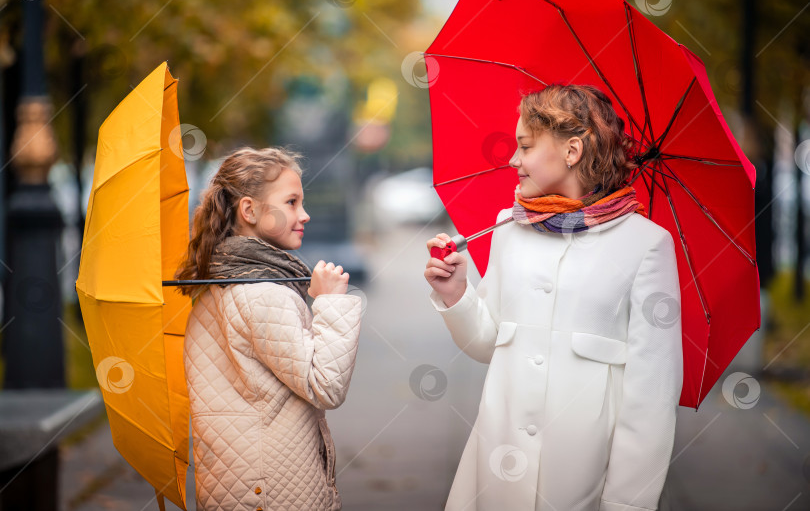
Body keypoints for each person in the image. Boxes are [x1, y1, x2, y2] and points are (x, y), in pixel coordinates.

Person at [425, 84, 683, 511]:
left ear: (572, 151)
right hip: (496, 469)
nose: (513, 159)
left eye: (524, 146)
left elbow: (651, 393)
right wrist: (456, 294)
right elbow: (489, 343)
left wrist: (626, 502)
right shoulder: (509, 226)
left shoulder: (646, 244)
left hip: (582, 478)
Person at [176, 146, 362, 510]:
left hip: (241, 484)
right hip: (275, 491)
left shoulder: (219, 281)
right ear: (249, 210)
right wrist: (331, 303)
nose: (304, 214)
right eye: (291, 202)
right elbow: (324, 386)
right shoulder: (262, 293)